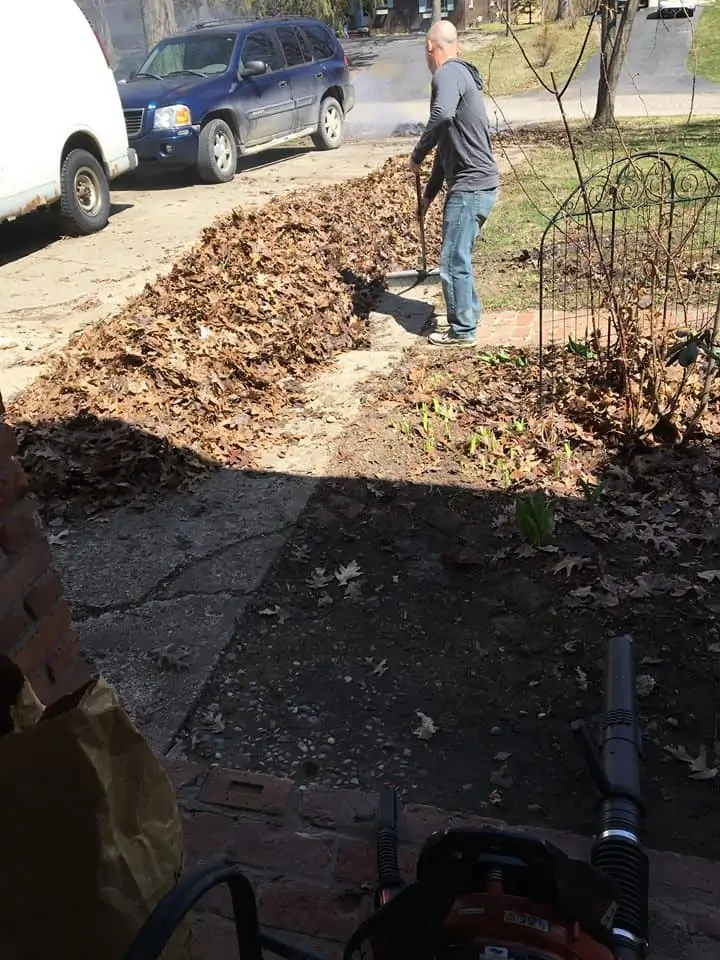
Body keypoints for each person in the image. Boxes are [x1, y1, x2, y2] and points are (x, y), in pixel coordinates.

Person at [409, 20, 499, 346]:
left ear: (429, 48)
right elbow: (446, 150)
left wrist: (416, 153)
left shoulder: (446, 74)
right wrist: (427, 199)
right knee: (459, 255)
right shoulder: (462, 76)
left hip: (471, 186)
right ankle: (470, 314)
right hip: (481, 184)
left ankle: (462, 330)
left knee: (452, 259)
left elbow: (441, 115)